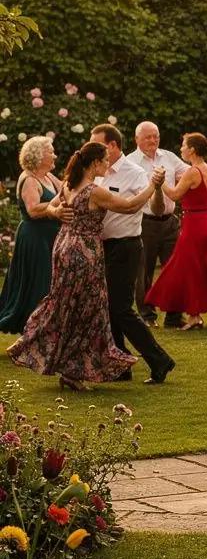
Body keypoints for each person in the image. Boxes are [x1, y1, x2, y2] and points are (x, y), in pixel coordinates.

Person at [8, 142, 164, 390]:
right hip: (84, 253)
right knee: (85, 309)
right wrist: (153, 186)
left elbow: (51, 205)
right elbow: (130, 206)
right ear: (94, 164)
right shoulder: (93, 191)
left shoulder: (69, 183)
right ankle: (69, 368)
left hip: (64, 247)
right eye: (104, 161)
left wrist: (56, 212)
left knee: (65, 304)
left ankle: (61, 363)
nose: (107, 165)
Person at [90, 124, 175, 386]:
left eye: (100, 145)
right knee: (109, 307)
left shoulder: (135, 173)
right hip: (105, 246)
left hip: (126, 246)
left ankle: (159, 360)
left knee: (120, 308)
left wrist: (156, 188)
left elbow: (152, 207)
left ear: (114, 146)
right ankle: (120, 363)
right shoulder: (98, 173)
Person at [143, 132, 207, 331]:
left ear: (192, 150)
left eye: (183, 145)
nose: (181, 148)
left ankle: (194, 317)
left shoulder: (193, 172)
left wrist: (158, 181)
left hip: (195, 224)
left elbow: (174, 195)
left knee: (190, 270)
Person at [0, 136, 71, 333]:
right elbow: (32, 210)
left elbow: (67, 188)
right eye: (51, 151)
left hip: (51, 237)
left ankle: (45, 327)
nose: (54, 155)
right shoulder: (29, 179)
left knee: (51, 282)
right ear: (39, 156)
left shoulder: (48, 177)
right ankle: (34, 327)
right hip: (34, 238)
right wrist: (56, 203)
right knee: (38, 283)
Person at [125, 120, 186, 328]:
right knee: (144, 271)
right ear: (137, 139)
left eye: (155, 136)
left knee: (175, 269)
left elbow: (188, 173)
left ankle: (174, 315)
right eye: (148, 137)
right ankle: (147, 315)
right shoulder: (130, 162)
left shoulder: (168, 157)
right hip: (145, 222)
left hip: (170, 222)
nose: (152, 140)